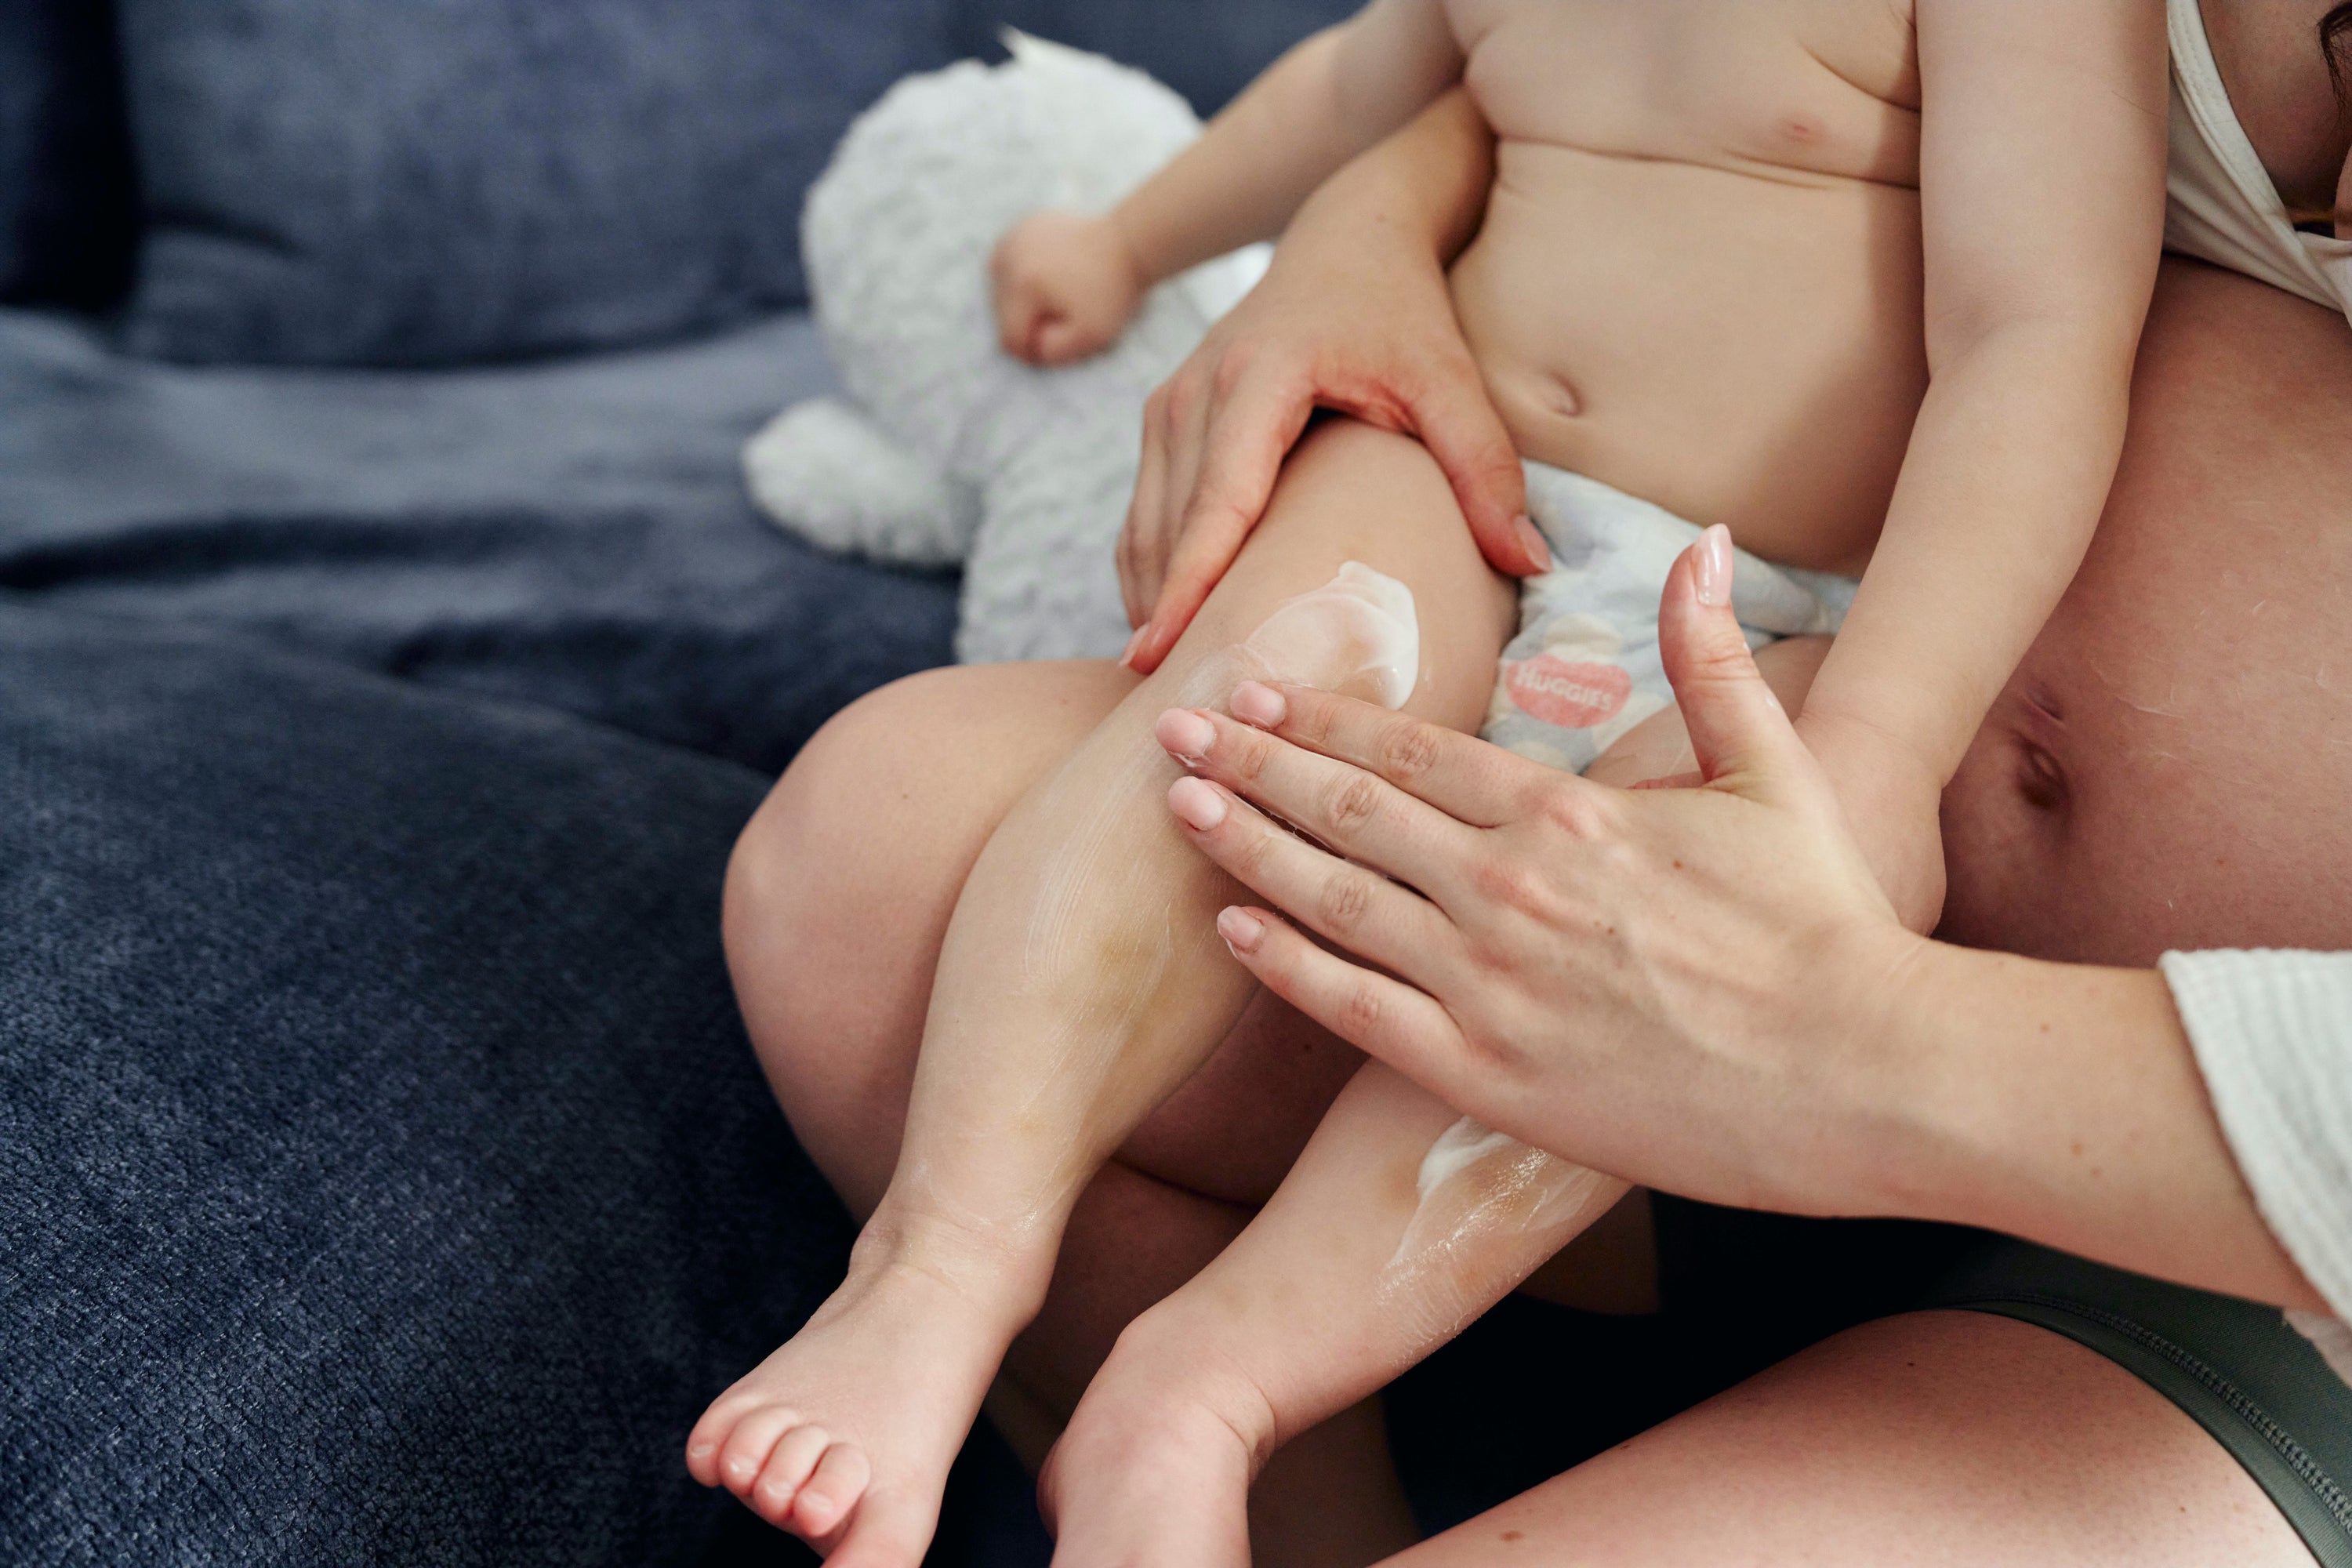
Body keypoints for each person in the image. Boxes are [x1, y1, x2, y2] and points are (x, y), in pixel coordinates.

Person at [688, 1, 2171, 1562]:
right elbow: (1352, 92)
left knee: (1679, 885)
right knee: (1256, 695)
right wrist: (1130, 245)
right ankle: (944, 1261)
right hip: (1466, 492)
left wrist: (1886, 742)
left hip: (1780, 605)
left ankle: (1215, 1387)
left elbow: (2041, 335)